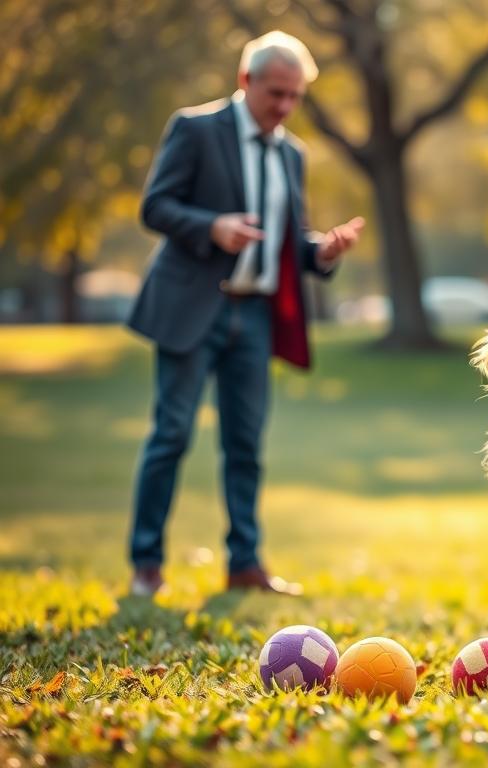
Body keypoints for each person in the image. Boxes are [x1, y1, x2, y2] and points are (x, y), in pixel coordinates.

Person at [126, 31, 364, 597]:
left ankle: (245, 564)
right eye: (275, 93)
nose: (283, 107)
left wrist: (320, 252)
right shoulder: (195, 129)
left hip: (254, 318)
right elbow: (154, 206)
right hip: (193, 307)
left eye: (294, 97)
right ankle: (146, 564)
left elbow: (289, 238)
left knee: (246, 444)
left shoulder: (292, 153)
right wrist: (212, 226)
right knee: (172, 434)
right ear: (245, 81)